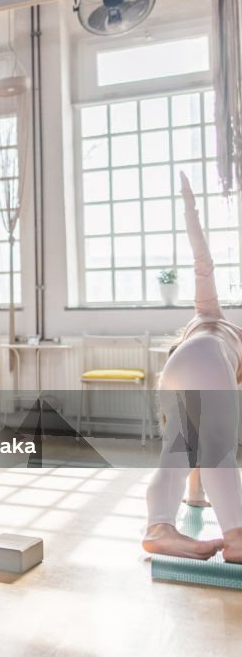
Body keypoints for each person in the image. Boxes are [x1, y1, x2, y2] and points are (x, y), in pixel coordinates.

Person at [143, 171, 242, 562]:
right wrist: (191, 209)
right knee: (216, 444)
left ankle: (159, 528)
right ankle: (236, 537)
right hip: (202, 356)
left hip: (182, 369)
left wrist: (190, 207)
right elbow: (203, 261)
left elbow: (203, 263)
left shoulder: (207, 319)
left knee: (179, 450)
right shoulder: (211, 322)